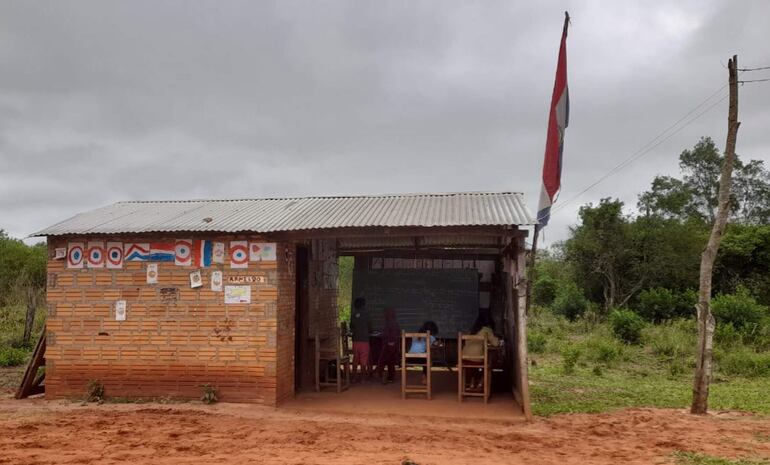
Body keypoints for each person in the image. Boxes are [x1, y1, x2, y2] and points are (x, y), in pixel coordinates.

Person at [461, 313, 500, 390]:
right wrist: (497, 339)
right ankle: (480, 384)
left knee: (475, 367)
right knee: (488, 366)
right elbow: (495, 344)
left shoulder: (472, 329)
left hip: (464, 359)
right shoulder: (487, 330)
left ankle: (472, 384)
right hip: (477, 360)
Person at [350, 297, 372, 382]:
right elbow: (370, 328)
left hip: (356, 340)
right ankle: (363, 378)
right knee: (364, 359)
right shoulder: (367, 315)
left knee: (355, 358)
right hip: (364, 340)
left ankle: (354, 378)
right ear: (364, 305)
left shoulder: (354, 315)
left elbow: (351, 326)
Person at [376, 308, 400, 384]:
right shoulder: (394, 322)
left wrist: (389, 342)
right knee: (391, 362)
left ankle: (383, 376)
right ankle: (390, 377)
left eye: (385, 313)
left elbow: (390, 334)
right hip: (393, 344)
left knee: (382, 361)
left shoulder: (390, 322)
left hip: (389, 344)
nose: (384, 315)